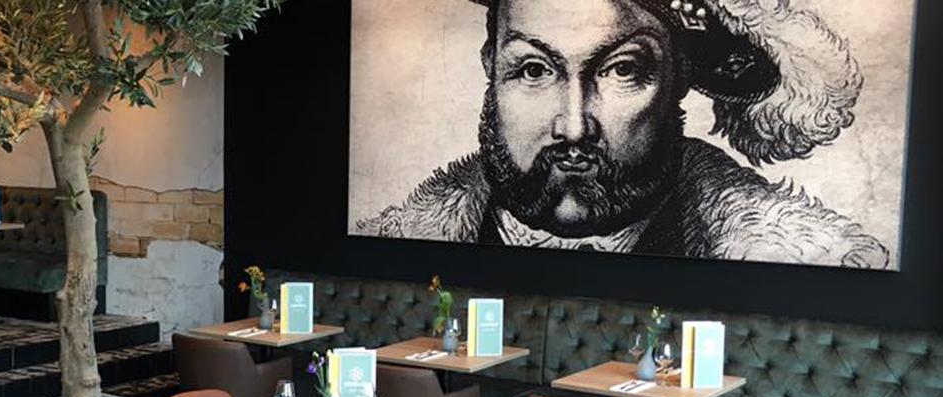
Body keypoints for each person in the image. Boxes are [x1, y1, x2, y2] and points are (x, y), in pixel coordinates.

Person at [355, 0, 891, 269]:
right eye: (534, 70)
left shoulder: (784, 257)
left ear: (679, 80)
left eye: (622, 70)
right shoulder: (398, 245)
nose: (572, 127)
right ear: (491, 65)